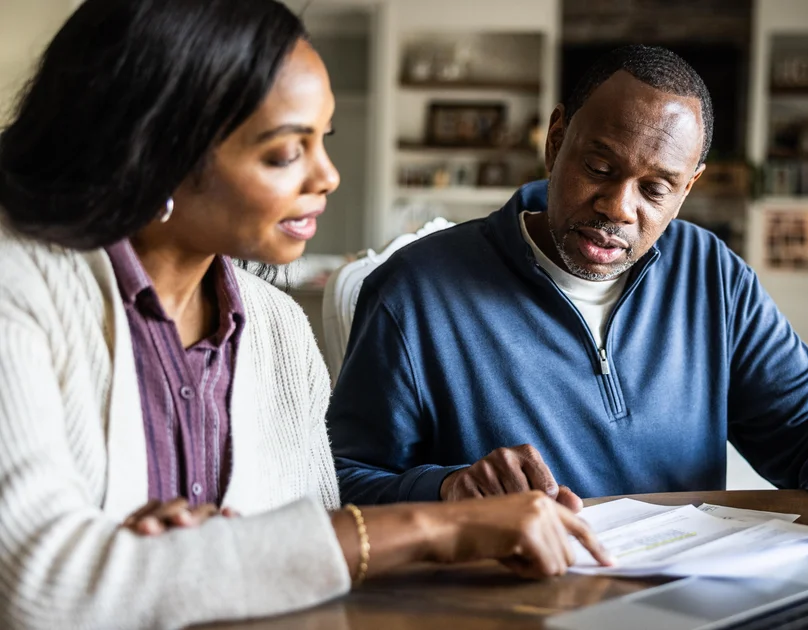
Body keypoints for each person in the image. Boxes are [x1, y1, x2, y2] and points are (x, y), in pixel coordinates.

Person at [0, 1, 608, 628]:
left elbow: (313, 563)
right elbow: (39, 585)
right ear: (154, 148)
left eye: (324, 140)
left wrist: (195, 555)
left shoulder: (279, 332)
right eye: (287, 152)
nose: (328, 176)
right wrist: (441, 526)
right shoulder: (17, 287)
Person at [328, 45, 808, 558]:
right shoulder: (416, 290)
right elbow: (342, 482)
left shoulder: (711, 274)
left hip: (687, 597)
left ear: (689, 186)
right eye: (599, 166)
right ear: (556, 139)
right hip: (515, 600)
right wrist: (448, 491)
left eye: (656, 188)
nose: (620, 207)